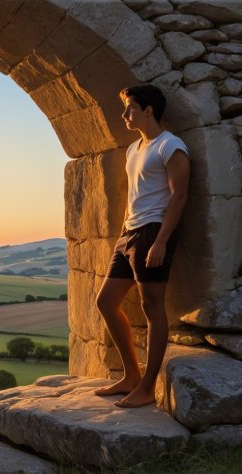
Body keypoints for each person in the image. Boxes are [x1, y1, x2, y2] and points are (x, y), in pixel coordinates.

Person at [94, 84, 190, 408]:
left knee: (152, 308)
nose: (125, 115)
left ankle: (148, 386)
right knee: (106, 301)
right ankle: (131, 376)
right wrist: (122, 233)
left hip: (153, 232)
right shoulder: (133, 149)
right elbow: (134, 194)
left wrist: (161, 240)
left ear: (148, 109)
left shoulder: (171, 146)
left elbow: (179, 195)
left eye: (130, 108)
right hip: (129, 234)